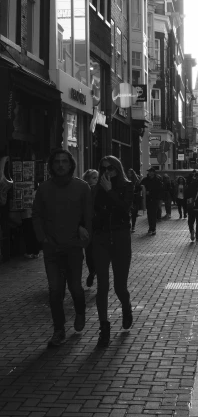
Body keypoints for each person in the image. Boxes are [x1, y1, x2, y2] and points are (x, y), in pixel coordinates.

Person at [32, 149, 92, 347]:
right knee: (55, 290)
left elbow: (88, 216)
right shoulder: (44, 189)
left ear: (70, 164)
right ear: (51, 165)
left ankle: (80, 312)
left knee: (75, 286)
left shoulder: (82, 188)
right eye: (57, 161)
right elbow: (37, 216)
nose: (60, 165)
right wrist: (43, 239)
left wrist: (83, 237)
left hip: (73, 247)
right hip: (52, 248)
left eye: (64, 161)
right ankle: (58, 330)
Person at [91, 156, 134, 347]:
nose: (107, 171)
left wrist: (110, 192)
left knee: (119, 286)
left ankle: (126, 307)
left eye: (111, 168)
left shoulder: (127, 186)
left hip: (120, 238)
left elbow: (126, 209)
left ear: (118, 168)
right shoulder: (95, 189)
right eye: (103, 168)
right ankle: (104, 327)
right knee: (102, 286)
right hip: (100, 239)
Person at [82, 168, 99, 287]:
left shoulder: (102, 190)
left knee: (100, 254)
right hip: (88, 227)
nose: (96, 180)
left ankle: (100, 277)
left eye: (97, 177)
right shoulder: (84, 191)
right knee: (89, 254)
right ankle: (92, 272)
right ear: (87, 180)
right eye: (94, 178)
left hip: (100, 227)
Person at [140, 167, 163, 235]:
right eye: (149, 171)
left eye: (151, 171)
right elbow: (140, 186)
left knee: (153, 214)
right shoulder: (145, 179)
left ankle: (153, 228)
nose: (149, 173)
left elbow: (159, 190)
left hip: (155, 199)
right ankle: (151, 227)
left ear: (153, 172)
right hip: (147, 199)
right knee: (149, 214)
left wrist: (151, 192)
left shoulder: (157, 180)